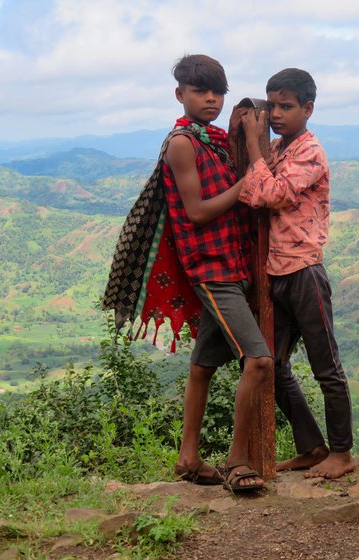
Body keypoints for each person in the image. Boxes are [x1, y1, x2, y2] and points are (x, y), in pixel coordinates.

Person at [161, 54, 273, 491]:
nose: (210, 99)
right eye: (200, 91)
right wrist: (244, 183)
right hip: (211, 271)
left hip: (232, 267)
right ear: (180, 95)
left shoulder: (212, 138)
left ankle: (188, 459)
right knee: (259, 360)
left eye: (217, 92)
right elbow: (197, 211)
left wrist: (249, 137)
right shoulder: (183, 143)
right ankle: (238, 461)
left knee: (203, 367)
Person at [237, 68, 355, 479]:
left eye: (286, 106)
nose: (276, 114)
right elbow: (254, 196)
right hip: (277, 274)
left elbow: (268, 194)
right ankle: (311, 446)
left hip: (304, 272)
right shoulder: (281, 151)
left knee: (327, 368)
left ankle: (341, 453)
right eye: (272, 106)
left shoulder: (308, 152)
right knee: (273, 364)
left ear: (308, 108)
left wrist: (254, 145)